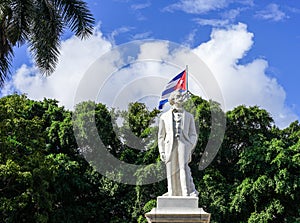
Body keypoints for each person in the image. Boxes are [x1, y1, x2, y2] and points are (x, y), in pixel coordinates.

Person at [158, 90, 198, 196]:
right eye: (178, 96)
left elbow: (193, 134)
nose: (181, 97)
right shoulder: (164, 117)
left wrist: (190, 145)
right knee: (170, 170)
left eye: (181, 96)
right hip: (169, 145)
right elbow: (161, 136)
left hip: (184, 144)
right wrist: (161, 151)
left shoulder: (189, 116)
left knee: (183, 168)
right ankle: (171, 193)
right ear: (173, 99)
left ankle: (185, 193)